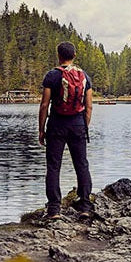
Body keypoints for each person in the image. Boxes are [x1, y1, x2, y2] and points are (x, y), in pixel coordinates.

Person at [38, 41, 94, 219]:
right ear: (74, 55)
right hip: (78, 124)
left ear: (59, 55)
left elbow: (45, 104)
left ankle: (54, 209)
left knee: (54, 166)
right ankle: (85, 206)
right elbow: (89, 106)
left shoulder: (52, 76)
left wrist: (41, 129)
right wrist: (84, 126)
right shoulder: (84, 76)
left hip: (56, 124)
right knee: (81, 164)